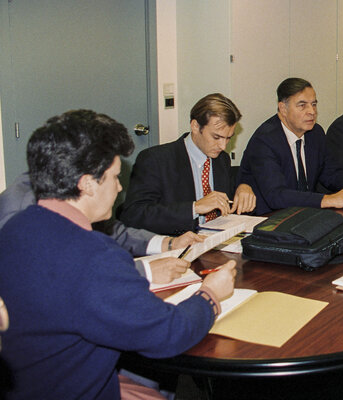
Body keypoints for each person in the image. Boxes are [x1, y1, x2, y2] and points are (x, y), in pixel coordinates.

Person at [0, 109, 236, 399]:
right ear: (87, 183)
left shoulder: (14, 228)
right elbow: (168, 335)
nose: (120, 186)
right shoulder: (95, 257)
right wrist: (210, 294)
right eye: (114, 176)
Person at [0, 173, 202, 284]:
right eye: (114, 177)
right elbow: (66, 272)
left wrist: (168, 243)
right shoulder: (21, 208)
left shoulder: (67, 185)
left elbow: (112, 231)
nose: (119, 187)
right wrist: (144, 271)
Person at [120, 93, 257, 235]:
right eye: (216, 137)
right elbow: (134, 215)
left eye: (228, 138)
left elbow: (226, 202)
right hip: (174, 244)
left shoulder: (221, 159)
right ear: (195, 126)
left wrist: (243, 187)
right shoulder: (156, 160)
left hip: (214, 242)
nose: (223, 146)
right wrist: (194, 208)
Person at [239, 78, 343, 215]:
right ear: (283, 109)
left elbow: (330, 174)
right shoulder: (265, 141)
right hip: (268, 220)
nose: (312, 111)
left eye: (314, 104)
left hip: (303, 216)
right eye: (302, 105)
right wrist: (331, 199)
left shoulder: (315, 133)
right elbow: (277, 196)